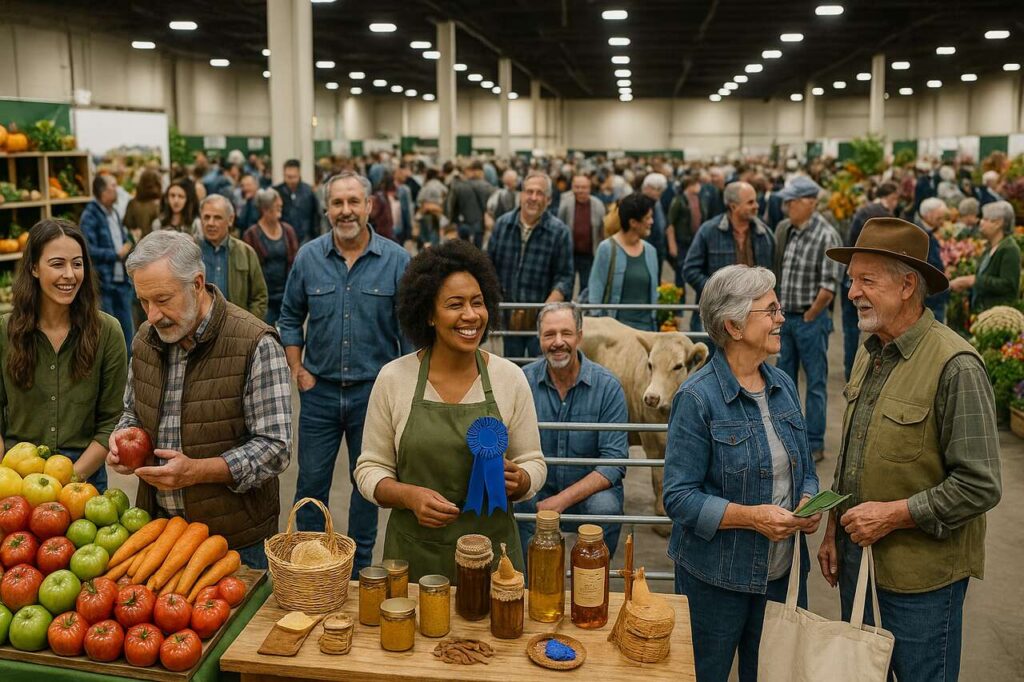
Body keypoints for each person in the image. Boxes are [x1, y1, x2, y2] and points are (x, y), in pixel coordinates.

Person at [819, 217, 1002, 682]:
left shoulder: (955, 365)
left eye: (866, 281)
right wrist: (831, 530)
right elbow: (853, 452)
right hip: (861, 565)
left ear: (906, 286)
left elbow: (979, 485)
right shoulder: (869, 351)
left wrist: (895, 514)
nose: (852, 292)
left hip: (923, 582)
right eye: (850, 280)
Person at [354, 239, 546, 580]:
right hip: (413, 560)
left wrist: (522, 479)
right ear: (428, 314)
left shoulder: (510, 378)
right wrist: (406, 495)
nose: (471, 315)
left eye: (478, 303)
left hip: (494, 560)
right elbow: (370, 468)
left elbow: (533, 460)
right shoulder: (394, 378)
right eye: (455, 305)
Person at [664, 264, 820, 682]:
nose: (781, 318)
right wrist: (753, 517)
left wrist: (808, 498)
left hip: (781, 575)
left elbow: (805, 467)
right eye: (770, 310)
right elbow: (679, 497)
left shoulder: (783, 384)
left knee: (771, 674)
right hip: (716, 581)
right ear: (733, 325)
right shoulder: (697, 398)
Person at [107, 230, 292, 568]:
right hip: (159, 532)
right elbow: (132, 411)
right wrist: (122, 438)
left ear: (197, 283)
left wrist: (198, 471)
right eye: (143, 302)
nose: (152, 315)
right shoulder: (146, 339)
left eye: (162, 299)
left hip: (235, 541)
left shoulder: (255, 343)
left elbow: (275, 448)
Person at [278, 172, 412, 575]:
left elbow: (409, 334)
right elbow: (289, 318)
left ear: (370, 206)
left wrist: (404, 393)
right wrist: (298, 370)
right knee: (311, 486)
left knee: (367, 488)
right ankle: (312, 569)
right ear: (327, 209)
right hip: (318, 393)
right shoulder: (308, 257)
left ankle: (357, 574)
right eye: (338, 203)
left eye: (354, 201)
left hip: (373, 394)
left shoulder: (397, 261)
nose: (346, 211)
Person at [0, 219, 127, 491]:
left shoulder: (107, 332)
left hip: (83, 480)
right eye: (57, 264)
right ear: (34, 267)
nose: (69, 274)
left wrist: (68, 482)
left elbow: (111, 422)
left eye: (77, 264)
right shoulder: (4, 332)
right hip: (14, 477)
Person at [516, 302, 627, 561]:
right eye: (549, 334)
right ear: (539, 339)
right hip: (537, 487)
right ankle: (530, 584)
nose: (558, 342)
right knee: (517, 503)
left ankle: (591, 585)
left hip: (589, 492)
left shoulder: (607, 386)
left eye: (565, 333)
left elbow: (614, 462)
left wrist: (560, 501)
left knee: (605, 508)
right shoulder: (522, 381)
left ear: (579, 335)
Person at [487, 171, 574, 359]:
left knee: (541, 370)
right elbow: (488, 268)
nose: (533, 198)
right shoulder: (502, 225)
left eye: (539, 193)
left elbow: (565, 277)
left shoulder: (559, 232)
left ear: (549, 199)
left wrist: (546, 310)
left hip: (542, 321)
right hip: (508, 317)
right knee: (511, 368)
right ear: (521, 195)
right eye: (529, 192)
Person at [683, 181, 774, 332]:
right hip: (718, 317)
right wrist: (719, 292)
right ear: (733, 206)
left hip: (754, 316)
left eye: (756, 201)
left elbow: (773, 272)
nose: (757, 205)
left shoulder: (764, 234)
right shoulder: (709, 231)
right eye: (750, 202)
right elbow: (690, 270)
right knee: (718, 355)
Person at [841, 181, 899, 380]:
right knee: (875, 325)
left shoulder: (863, 210)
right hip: (871, 276)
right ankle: (867, 370)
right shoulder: (885, 217)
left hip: (851, 271)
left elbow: (850, 240)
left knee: (852, 328)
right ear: (891, 197)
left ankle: (852, 371)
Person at [587, 193, 660, 331]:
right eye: (647, 218)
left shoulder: (651, 251)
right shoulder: (606, 249)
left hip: (647, 333)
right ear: (633, 222)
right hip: (616, 334)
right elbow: (595, 291)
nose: (652, 222)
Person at [80, 174, 135, 352]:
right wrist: (115, 254)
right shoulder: (90, 215)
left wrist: (127, 243)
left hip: (121, 280)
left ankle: (129, 371)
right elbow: (88, 249)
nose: (117, 189)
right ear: (103, 191)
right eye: (113, 185)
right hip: (104, 282)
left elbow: (120, 236)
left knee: (127, 331)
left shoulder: (114, 212)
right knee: (109, 333)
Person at [197, 195, 268, 320]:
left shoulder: (246, 253)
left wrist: (247, 326)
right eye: (206, 217)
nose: (210, 223)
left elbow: (259, 297)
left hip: (236, 330)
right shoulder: (191, 252)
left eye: (217, 217)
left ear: (230, 220)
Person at [949, 200, 1021, 312]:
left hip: (998, 316)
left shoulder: (1009, 249)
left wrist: (974, 281)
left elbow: (1008, 285)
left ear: (998, 223)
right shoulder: (989, 248)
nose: (981, 222)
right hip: (983, 313)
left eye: (986, 219)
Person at [242, 188, 299, 325]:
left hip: (286, 296)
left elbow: (295, 263)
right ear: (265, 209)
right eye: (276, 206)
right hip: (264, 299)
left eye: (281, 206)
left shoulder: (288, 231)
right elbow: (248, 271)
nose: (280, 208)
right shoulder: (251, 234)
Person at [558, 175, 606, 291]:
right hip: (570, 253)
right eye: (577, 187)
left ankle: (584, 309)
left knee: (587, 286)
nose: (580, 190)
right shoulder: (565, 204)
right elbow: (560, 226)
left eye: (584, 187)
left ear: (589, 188)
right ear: (572, 188)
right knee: (566, 285)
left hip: (589, 254)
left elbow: (602, 231)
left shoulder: (598, 205)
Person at [916, 197, 952, 323]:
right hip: (929, 299)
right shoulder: (919, 234)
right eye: (939, 218)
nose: (942, 222)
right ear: (928, 215)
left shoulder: (927, 232)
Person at [447, 160, 494, 248]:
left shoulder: (459, 186)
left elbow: (452, 207)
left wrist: (452, 222)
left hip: (462, 224)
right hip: (480, 226)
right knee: (477, 251)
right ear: (480, 172)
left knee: (463, 251)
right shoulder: (488, 187)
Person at [666, 176, 700, 290]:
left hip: (695, 242)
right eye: (695, 184)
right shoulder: (678, 200)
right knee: (680, 273)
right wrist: (672, 244)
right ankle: (679, 305)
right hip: (682, 242)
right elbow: (670, 223)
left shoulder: (699, 199)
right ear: (689, 186)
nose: (698, 187)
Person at [276, 159, 321, 244]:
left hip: (306, 238)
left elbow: (316, 217)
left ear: (299, 174)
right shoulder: (277, 192)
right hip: (284, 239)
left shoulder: (309, 192)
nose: (291, 180)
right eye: (288, 177)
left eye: (294, 177)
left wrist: (316, 237)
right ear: (284, 175)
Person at [124, 169, 163, 243]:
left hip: (139, 245)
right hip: (156, 244)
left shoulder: (132, 203)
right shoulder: (159, 204)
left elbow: (128, 224)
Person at [640, 173, 668, 266]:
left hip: (657, 249)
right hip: (645, 249)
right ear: (646, 187)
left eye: (660, 190)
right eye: (656, 189)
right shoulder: (641, 204)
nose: (658, 192)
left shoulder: (657, 203)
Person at [416, 167, 448, 248]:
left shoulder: (426, 186)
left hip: (427, 214)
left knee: (426, 238)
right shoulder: (441, 186)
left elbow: (419, 200)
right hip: (438, 213)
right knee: (436, 237)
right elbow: (446, 197)